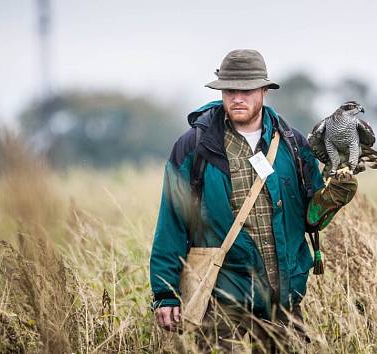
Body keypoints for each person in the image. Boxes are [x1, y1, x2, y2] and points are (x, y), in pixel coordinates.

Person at [149, 49, 357, 352]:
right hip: (221, 303)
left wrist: (334, 196)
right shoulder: (193, 147)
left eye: (246, 90)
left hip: (282, 303)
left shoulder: (292, 144)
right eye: (230, 90)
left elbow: (311, 218)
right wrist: (165, 293)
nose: (237, 98)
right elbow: (172, 224)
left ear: (264, 91)